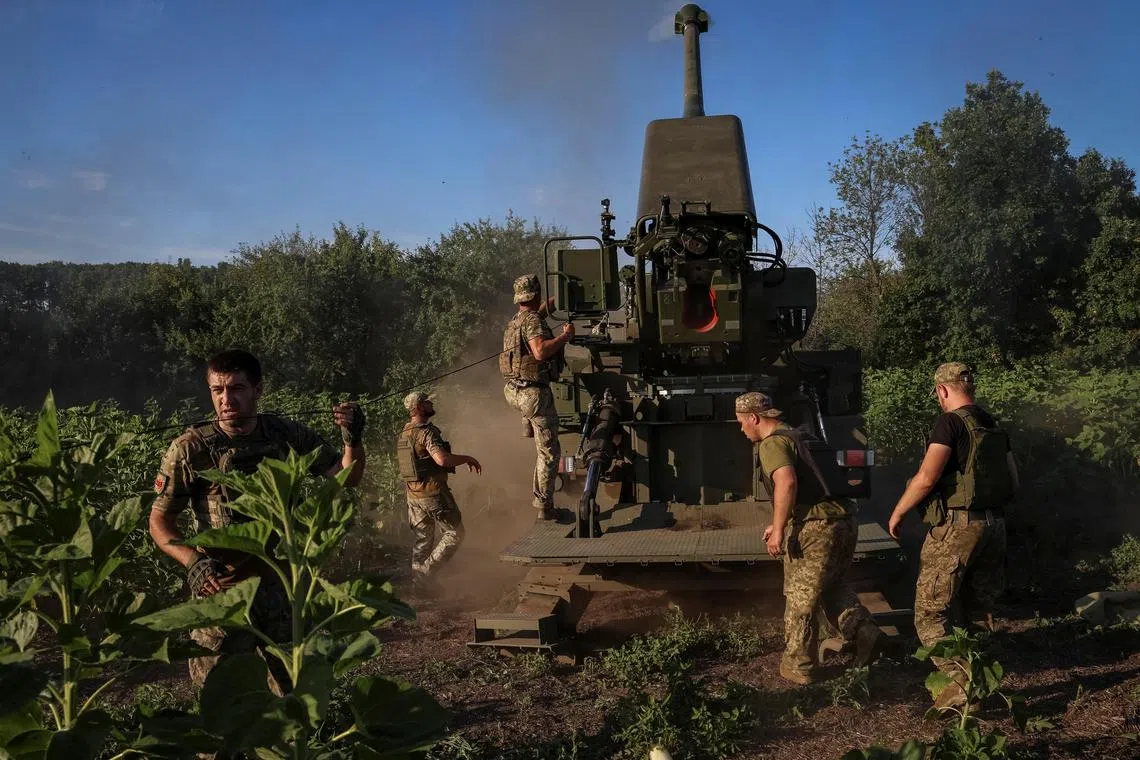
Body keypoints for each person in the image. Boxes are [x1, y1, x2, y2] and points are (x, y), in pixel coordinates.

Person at [148, 349, 365, 696]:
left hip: (280, 588)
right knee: (222, 703)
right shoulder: (191, 448)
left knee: (293, 699)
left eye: (236, 388)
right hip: (223, 589)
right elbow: (160, 520)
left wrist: (352, 439)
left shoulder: (284, 434)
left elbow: (345, 477)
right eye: (217, 390)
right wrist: (194, 562)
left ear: (257, 389)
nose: (225, 399)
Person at [887, 362, 1018, 708]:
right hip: (995, 526)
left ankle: (957, 684)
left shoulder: (949, 422)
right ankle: (978, 683)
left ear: (942, 391)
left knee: (930, 611)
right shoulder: (992, 424)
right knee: (978, 610)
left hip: (959, 528)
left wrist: (899, 511)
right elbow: (1013, 481)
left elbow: (927, 478)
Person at [735, 391, 883, 685]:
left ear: (754, 418)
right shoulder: (801, 437)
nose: (741, 429)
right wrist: (778, 521)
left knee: (800, 597)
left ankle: (799, 665)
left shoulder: (772, 443)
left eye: (741, 422)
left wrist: (779, 530)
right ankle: (865, 631)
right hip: (843, 522)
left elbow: (786, 481)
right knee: (832, 586)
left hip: (816, 527)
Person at [499, 273, 574, 521]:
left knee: (539, 436)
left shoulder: (517, 320)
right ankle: (545, 507)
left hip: (514, 391)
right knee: (549, 452)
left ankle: (527, 422)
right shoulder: (533, 322)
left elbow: (536, 315)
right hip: (533, 395)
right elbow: (540, 352)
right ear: (537, 293)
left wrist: (556, 300)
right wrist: (564, 337)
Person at [396, 391, 481, 587]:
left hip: (413, 494)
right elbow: (442, 459)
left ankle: (418, 585)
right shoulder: (425, 432)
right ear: (418, 408)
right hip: (432, 492)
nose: (431, 403)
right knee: (455, 534)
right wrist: (468, 458)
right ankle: (424, 576)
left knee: (423, 539)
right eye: (426, 402)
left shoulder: (404, 432)